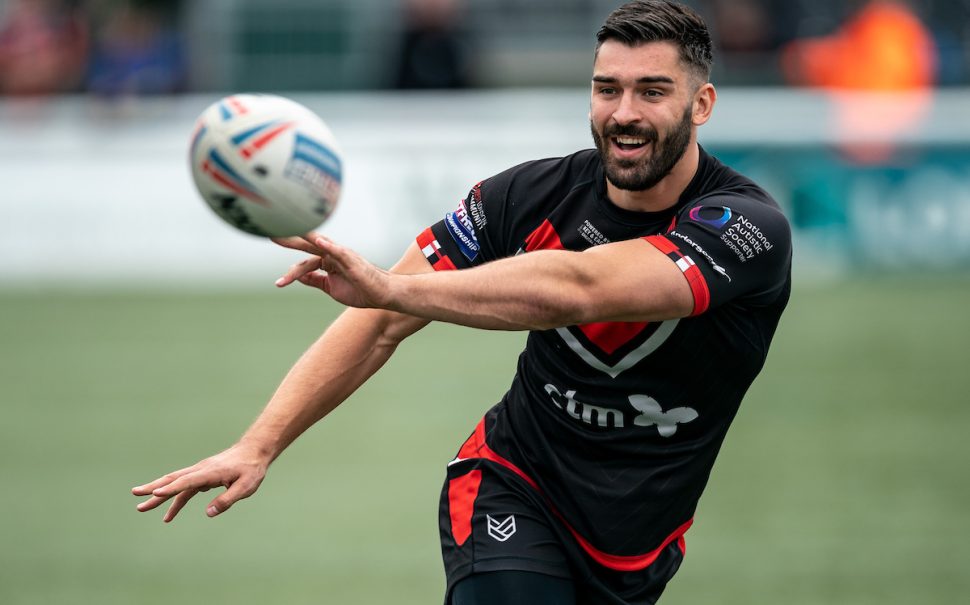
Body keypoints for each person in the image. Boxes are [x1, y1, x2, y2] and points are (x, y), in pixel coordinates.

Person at [132, 2, 792, 603]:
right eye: (606, 89)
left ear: (700, 104)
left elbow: (584, 287)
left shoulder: (744, 226)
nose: (623, 113)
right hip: (513, 484)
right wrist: (259, 444)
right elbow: (380, 320)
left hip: (640, 542)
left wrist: (393, 286)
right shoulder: (525, 195)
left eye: (652, 91)